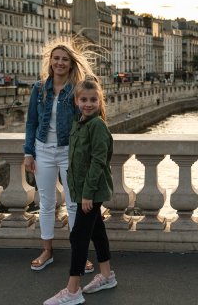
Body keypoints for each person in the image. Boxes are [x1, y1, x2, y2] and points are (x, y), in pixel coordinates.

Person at [44, 77, 117, 305]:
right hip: (83, 191)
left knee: (78, 237)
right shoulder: (79, 122)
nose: (88, 103)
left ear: (100, 101)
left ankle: (73, 290)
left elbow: (98, 162)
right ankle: (106, 276)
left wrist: (87, 194)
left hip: (91, 192)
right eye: (84, 99)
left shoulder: (97, 126)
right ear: (76, 101)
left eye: (93, 99)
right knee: (96, 231)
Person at [24, 39, 94, 273]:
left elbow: (86, 119)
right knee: (46, 203)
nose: (60, 62)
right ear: (50, 61)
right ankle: (47, 250)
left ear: (71, 63)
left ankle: (79, 254)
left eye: (64, 59)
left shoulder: (77, 89)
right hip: (42, 150)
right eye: (56, 58)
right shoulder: (39, 88)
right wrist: (28, 152)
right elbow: (32, 122)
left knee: (74, 205)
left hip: (68, 152)